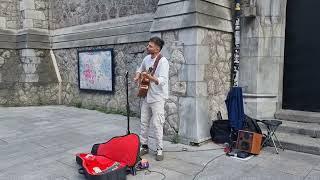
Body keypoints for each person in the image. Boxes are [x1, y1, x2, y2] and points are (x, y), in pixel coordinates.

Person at [133, 36, 169, 161]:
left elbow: (162, 81)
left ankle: (159, 148)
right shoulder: (147, 58)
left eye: (150, 46)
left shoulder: (163, 61)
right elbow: (140, 68)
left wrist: (150, 77)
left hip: (158, 97)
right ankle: (144, 145)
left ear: (157, 48)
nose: (147, 47)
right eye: (148, 45)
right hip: (147, 94)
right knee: (143, 121)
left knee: (157, 123)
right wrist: (138, 76)